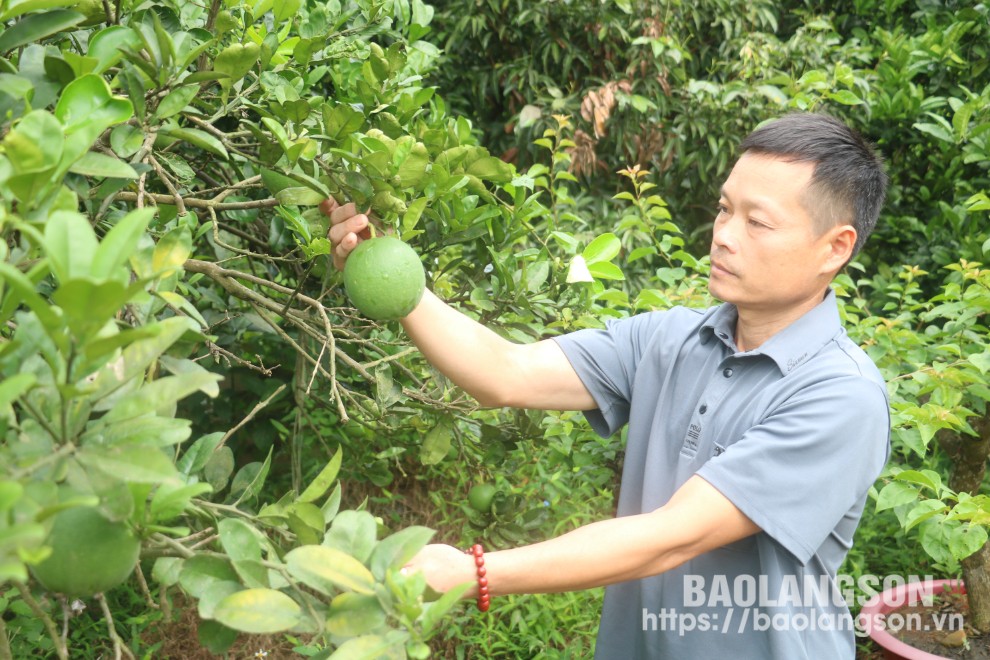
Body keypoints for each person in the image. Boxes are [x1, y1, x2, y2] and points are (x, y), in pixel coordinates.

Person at [323, 112, 891, 659]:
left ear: (834, 248)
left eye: (757, 221)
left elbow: (671, 536)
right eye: (724, 209)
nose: (723, 235)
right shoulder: (670, 340)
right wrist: (393, 274)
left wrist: (474, 572)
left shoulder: (840, 396)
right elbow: (505, 372)